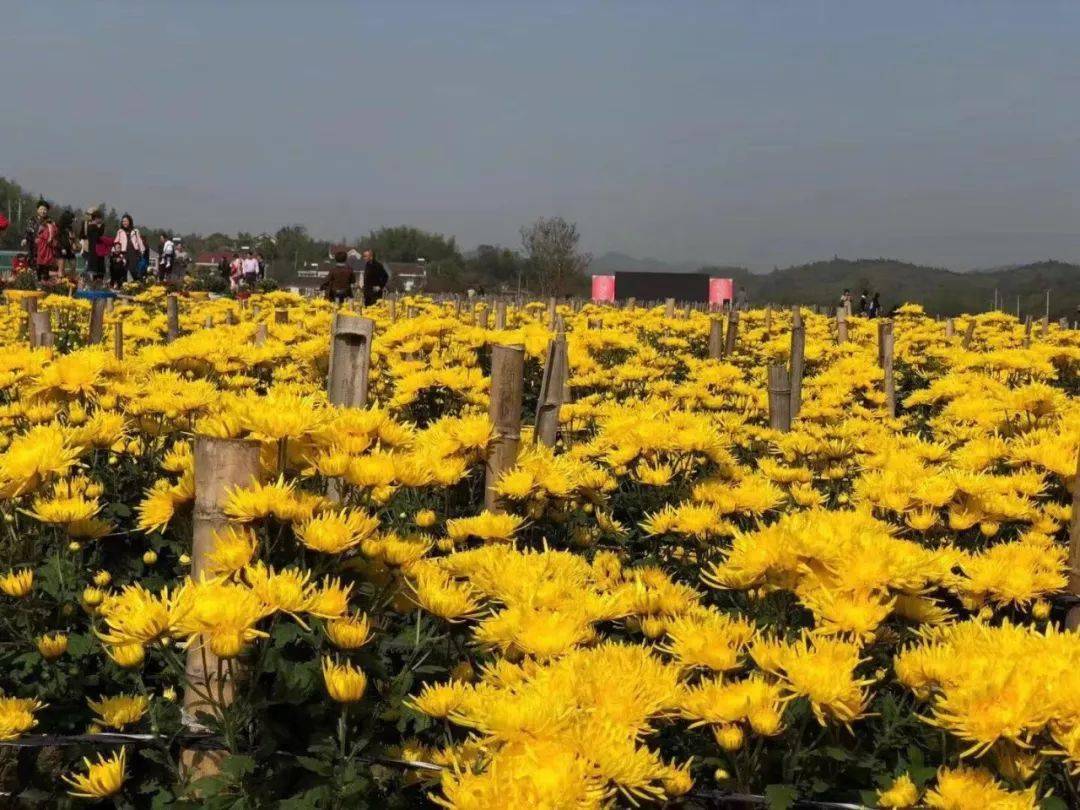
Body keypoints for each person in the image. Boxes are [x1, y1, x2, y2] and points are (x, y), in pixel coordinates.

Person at [114, 214, 147, 283]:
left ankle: (138, 284)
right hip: (123, 252)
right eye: (123, 221)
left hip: (133, 252)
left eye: (126, 221)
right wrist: (115, 252)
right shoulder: (120, 231)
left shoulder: (135, 231)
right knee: (123, 271)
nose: (124, 223)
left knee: (133, 270)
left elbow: (139, 242)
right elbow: (116, 242)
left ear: (129, 221)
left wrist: (142, 252)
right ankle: (123, 286)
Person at [33, 208, 59, 281]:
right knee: (43, 264)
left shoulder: (50, 227)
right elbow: (38, 236)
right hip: (43, 246)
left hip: (45, 247)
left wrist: (49, 238)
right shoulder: (45, 227)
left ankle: (42, 280)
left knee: (43, 264)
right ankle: (42, 280)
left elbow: (50, 237)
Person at [56, 210, 77, 280]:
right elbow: (57, 239)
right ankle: (60, 281)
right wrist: (62, 248)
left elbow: (72, 237)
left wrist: (73, 243)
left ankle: (70, 279)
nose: (72, 221)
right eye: (71, 219)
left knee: (73, 264)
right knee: (61, 267)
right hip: (61, 250)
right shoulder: (59, 228)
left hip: (69, 249)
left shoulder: (70, 228)